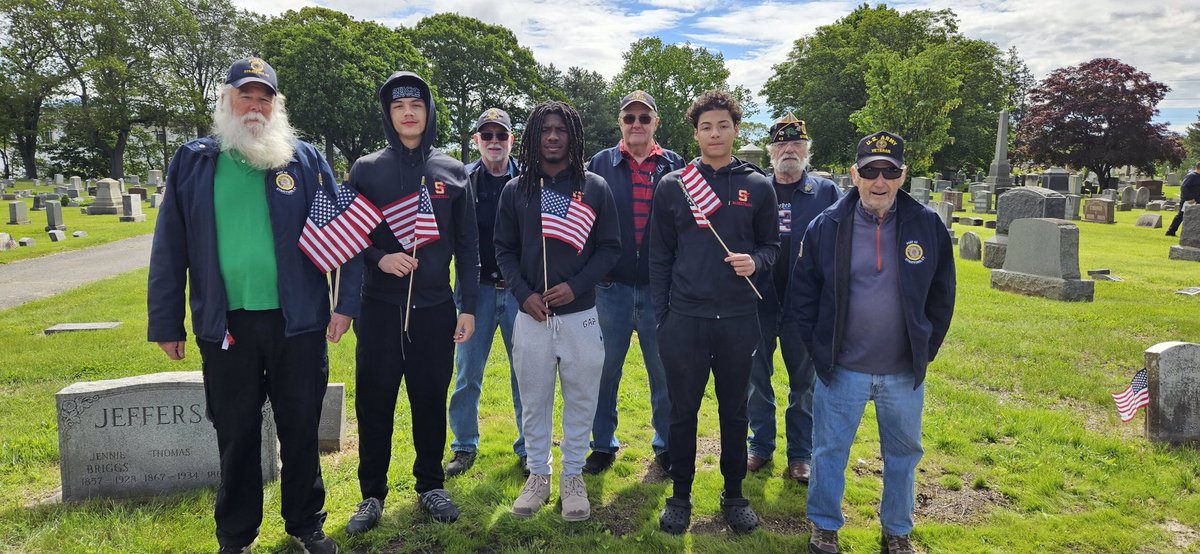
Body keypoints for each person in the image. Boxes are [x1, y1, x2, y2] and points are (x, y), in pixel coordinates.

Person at [147, 57, 351, 554]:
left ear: (276, 106)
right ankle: (235, 535)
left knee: (301, 426)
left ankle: (306, 524)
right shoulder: (194, 161)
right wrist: (166, 322)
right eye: (247, 95)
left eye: (265, 98)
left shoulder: (301, 159)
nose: (255, 106)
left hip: (297, 321)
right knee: (236, 430)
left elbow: (343, 235)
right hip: (227, 325)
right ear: (226, 100)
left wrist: (344, 304)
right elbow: (170, 245)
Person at [791, 132, 955, 554]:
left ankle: (897, 531)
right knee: (829, 451)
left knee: (904, 455)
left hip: (902, 372)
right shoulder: (826, 226)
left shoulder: (927, 225)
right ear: (854, 174)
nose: (879, 181)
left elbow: (942, 295)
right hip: (842, 369)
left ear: (903, 176)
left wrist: (923, 350)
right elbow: (804, 296)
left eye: (889, 171)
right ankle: (825, 527)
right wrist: (821, 352)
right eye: (869, 171)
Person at [343, 72, 478, 533]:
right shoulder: (366, 169)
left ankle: (430, 484)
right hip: (379, 309)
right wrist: (380, 258)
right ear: (388, 113)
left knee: (429, 399)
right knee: (375, 401)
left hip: (436, 308)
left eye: (416, 105)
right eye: (399, 106)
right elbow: (348, 237)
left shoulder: (454, 170)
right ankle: (371, 494)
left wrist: (469, 306)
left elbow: (469, 247)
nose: (408, 113)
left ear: (428, 111)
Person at [649, 90, 779, 535]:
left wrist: (756, 262)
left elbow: (772, 247)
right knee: (682, 411)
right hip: (685, 319)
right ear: (696, 133)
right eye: (706, 126)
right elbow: (660, 256)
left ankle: (734, 493)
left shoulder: (759, 186)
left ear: (736, 129)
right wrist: (663, 317)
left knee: (734, 411)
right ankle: (680, 495)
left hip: (739, 319)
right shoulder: (674, 185)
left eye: (723, 125)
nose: (715, 133)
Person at [494, 101, 621, 521]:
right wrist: (523, 293)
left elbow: (609, 249)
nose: (552, 136)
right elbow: (504, 250)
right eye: (545, 129)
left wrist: (577, 285)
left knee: (581, 399)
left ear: (573, 136)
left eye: (560, 130)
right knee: (534, 401)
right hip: (531, 317)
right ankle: (538, 476)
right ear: (533, 135)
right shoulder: (516, 190)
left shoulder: (596, 187)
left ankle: (572, 477)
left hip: (581, 317)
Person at [583, 90, 685, 474]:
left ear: (656, 123)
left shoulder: (676, 165)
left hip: (662, 290)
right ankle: (602, 444)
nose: (637, 125)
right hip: (611, 288)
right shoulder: (600, 164)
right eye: (630, 118)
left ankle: (666, 445)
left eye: (645, 118)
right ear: (620, 124)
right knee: (604, 371)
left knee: (664, 372)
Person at [746, 113, 840, 483]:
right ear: (771, 153)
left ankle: (801, 454)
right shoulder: (756, 190)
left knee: (804, 385)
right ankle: (760, 445)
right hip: (760, 299)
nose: (789, 150)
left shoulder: (827, 193)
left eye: (796, 144)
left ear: (806, 150)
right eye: (782, 144)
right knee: (757, 379)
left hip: (805, 305)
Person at [445, 108, 527, 477]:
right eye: (487, 135)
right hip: (473, 294)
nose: (495, 142)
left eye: (501, 135)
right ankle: (464, 445)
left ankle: (530, 446)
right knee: (467, 374)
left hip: (517, 293)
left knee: (525, 373)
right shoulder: (462, 181)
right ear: (476, 140)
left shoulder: (529, 180)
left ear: (512, 140)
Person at [1166, 161, 1200, 236]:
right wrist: (1190, 198)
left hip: (1197, 200)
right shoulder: (1191, 176)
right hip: (1189, 200)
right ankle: (1171, 231)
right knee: (1181, 216)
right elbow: (1184, 187)